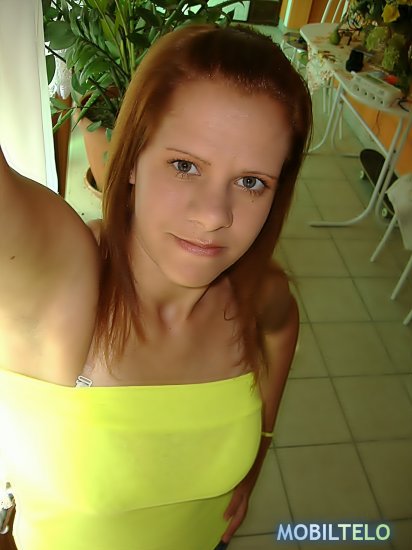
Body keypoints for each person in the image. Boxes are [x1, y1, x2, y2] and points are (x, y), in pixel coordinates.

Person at [0, 22, 312, 550]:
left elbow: (282, 328)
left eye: (251, 182)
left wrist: (259, 448)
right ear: (131, 160)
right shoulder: (60, 284)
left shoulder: (252, 292)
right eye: (185, 165)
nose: (213, 216)